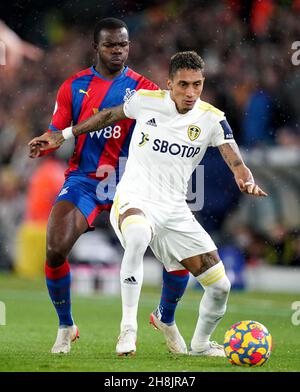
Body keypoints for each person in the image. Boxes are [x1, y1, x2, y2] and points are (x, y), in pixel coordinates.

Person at [30, 51, 268, 356]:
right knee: (139, 235)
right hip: (134, 197)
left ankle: (200, 344)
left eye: (197, 85)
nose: (190, 92)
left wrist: (244, 177)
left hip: (175, 209)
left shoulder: (212, 119)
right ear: (169, 84)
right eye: (183, 85)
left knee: (220, 286)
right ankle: (128, 329)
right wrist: (64, 134)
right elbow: (107, 116)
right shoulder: (146, 100)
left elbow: (235, 159)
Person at [28, 18, 190, 355]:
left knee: (178, 255)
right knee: (55, 248)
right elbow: (57, 131)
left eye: (124, 45)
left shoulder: (144, 88)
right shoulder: (73, 87)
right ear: (96, 47)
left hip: (133, 184)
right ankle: (65, 325)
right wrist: (47, 141)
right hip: (85, 181)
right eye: (110, 45)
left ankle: (165, 317)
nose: (118, 51)